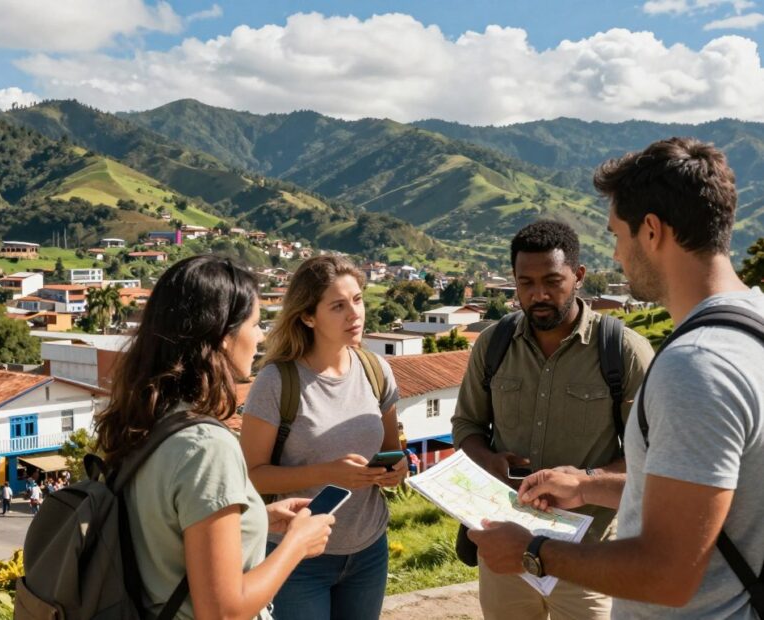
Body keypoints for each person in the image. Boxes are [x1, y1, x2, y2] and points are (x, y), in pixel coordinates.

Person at [471, 138, 764, 619]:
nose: (617, 256)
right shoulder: (751, 327)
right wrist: (587, 486)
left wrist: (533, 551)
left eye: (615, 235)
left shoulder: (696, 365)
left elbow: (668, 573)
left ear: (651, 231)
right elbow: (706, 496)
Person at [94, 255, 335, 620]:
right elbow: (223, 611)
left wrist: (254, 519)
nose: (261, 336)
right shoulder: (207, 447)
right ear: (224, 337)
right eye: (255, 324)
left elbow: (163, 532)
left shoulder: (146, 420)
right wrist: (297, 544)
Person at [452, 220, 654, 620]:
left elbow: (650, 460)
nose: (538, 294)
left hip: (590, 554)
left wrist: (584, 482)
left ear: (578, 276)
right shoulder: (493, 345)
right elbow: (467, 427)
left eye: (551, 280)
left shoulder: (625, 353)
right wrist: (487, 460)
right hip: (505, 547)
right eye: (525, 283)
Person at [241, 255, 405, 620]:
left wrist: (397, 469)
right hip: (297, 556)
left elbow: (393, 451)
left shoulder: (376, 370)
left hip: (368, 549)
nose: (354, 314)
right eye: (338, 306)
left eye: (358, 300)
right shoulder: (277, 382)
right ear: (308, 316)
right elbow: (251, 475)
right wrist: (326, 473)